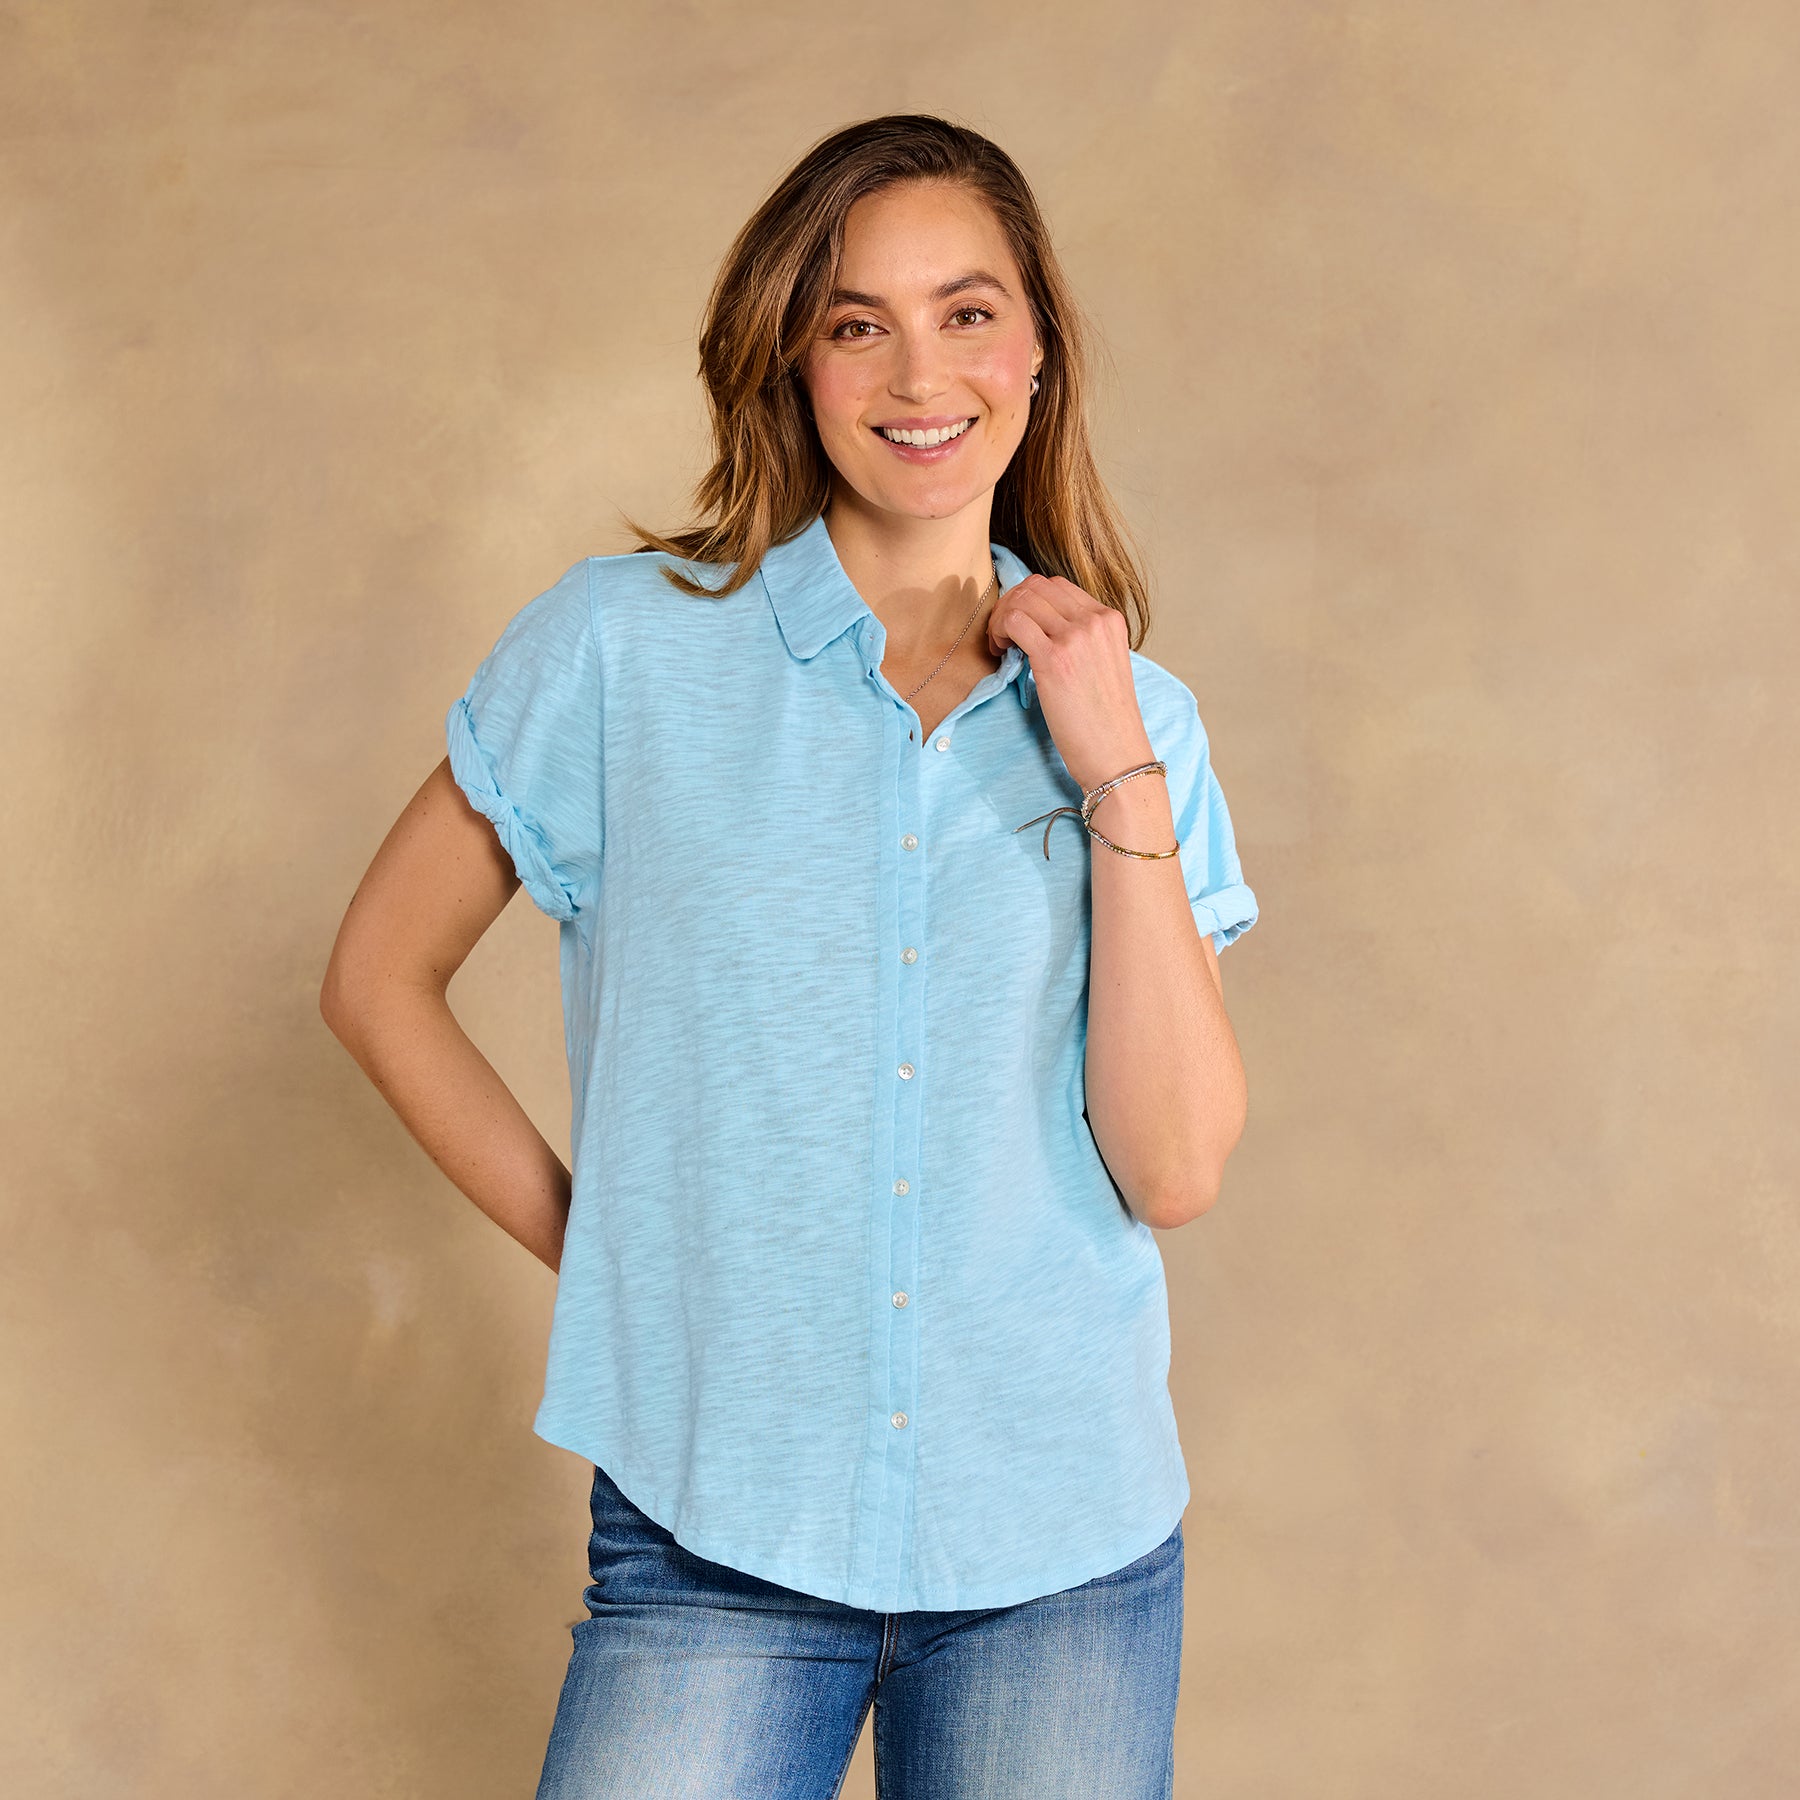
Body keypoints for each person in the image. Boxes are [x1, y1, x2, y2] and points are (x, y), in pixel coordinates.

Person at [321, 112, 1259, 1800]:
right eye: (856, 322)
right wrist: (616, 1256)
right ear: (793, 363)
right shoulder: (621, 654)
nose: (921, 373)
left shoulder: (1143, 721)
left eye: (967, 313)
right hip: (716, 1529)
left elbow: (1175, 1166)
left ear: (1038, 350)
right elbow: (378, 978)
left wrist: (1112, 755)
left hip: (1060, 1546)